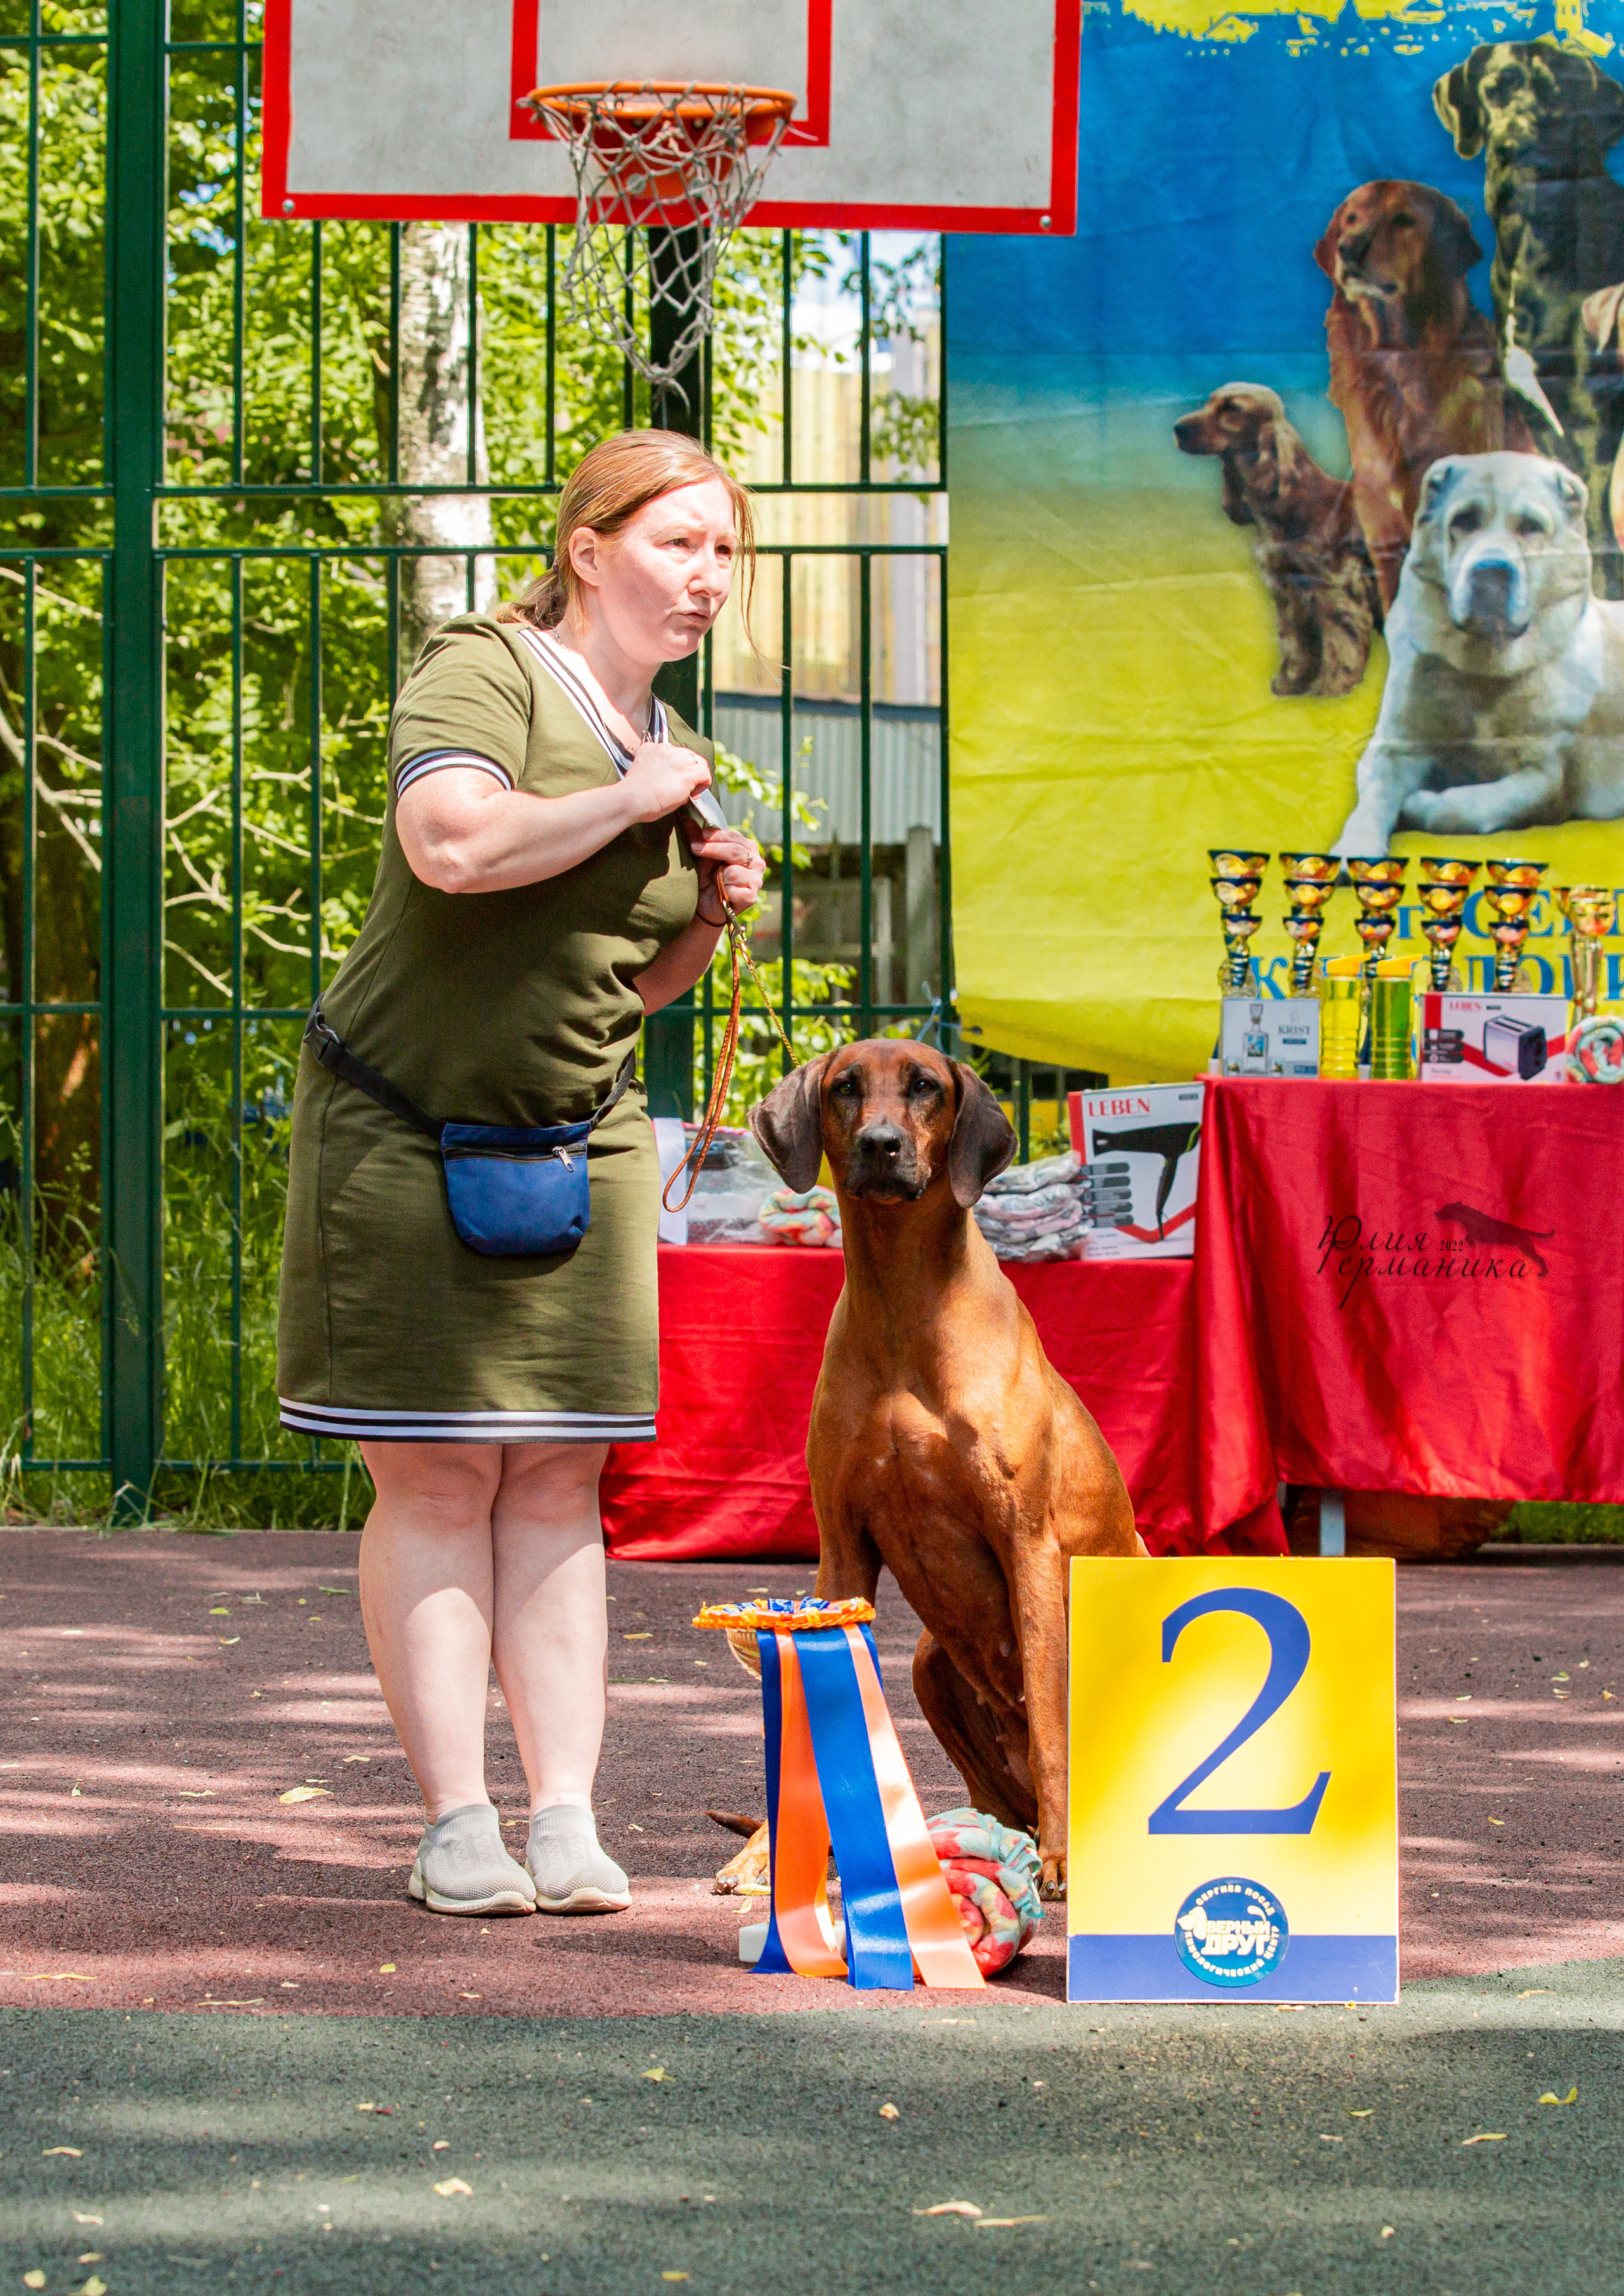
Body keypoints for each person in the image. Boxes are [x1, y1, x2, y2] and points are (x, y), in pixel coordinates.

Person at [276, 430, 766, 1919]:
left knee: (559, 1478)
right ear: (586, 548)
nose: (707, 577)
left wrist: (702, 916)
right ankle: (456, 1824)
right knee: (434, 1473)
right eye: (678, 543)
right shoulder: (482, 670)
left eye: (726, 552)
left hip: (581, 1136)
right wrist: (634, 806)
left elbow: (613, 986)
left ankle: (566, 1819)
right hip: (403, 1124)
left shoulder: (660, 732)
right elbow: (453, 847)